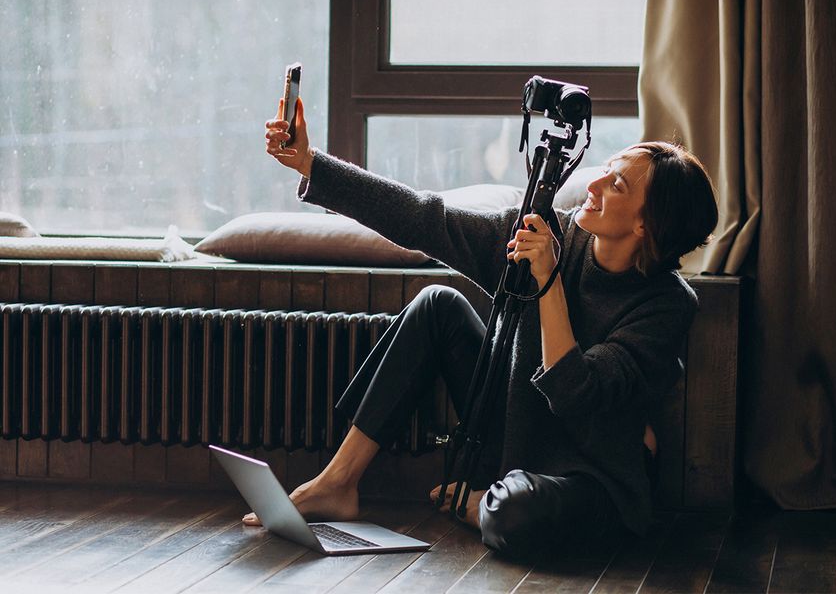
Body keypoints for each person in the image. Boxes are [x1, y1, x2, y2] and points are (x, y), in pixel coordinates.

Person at [244, 96, 719, 556]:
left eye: (617, 185)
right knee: (438, 304)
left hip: (586, 474)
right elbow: (425, 218)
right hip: (511, 432)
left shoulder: (667, 305)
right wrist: (310, 163)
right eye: (606, 169)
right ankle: (337, 482)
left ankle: (483, 505)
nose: (594, 184)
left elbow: (574, 393)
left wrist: (548, 279)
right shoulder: (545, 232)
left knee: (517, 516)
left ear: (646, 226)